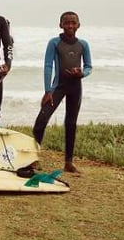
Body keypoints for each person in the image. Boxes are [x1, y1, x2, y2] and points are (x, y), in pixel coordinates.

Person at [32, 11, 92, 174]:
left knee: (71, 124)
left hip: (75, 87)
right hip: (58, 87)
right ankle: (33, 159)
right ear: (61, 25)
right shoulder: (54, 43)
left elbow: (88, 67)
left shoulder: (83, 44)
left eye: (73, 23)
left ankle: (68, 162)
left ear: (78, 25)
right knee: (41, 120)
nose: (70, 26)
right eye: (67, 23)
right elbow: (48, 66)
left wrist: (81, 73)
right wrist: (47, 90)